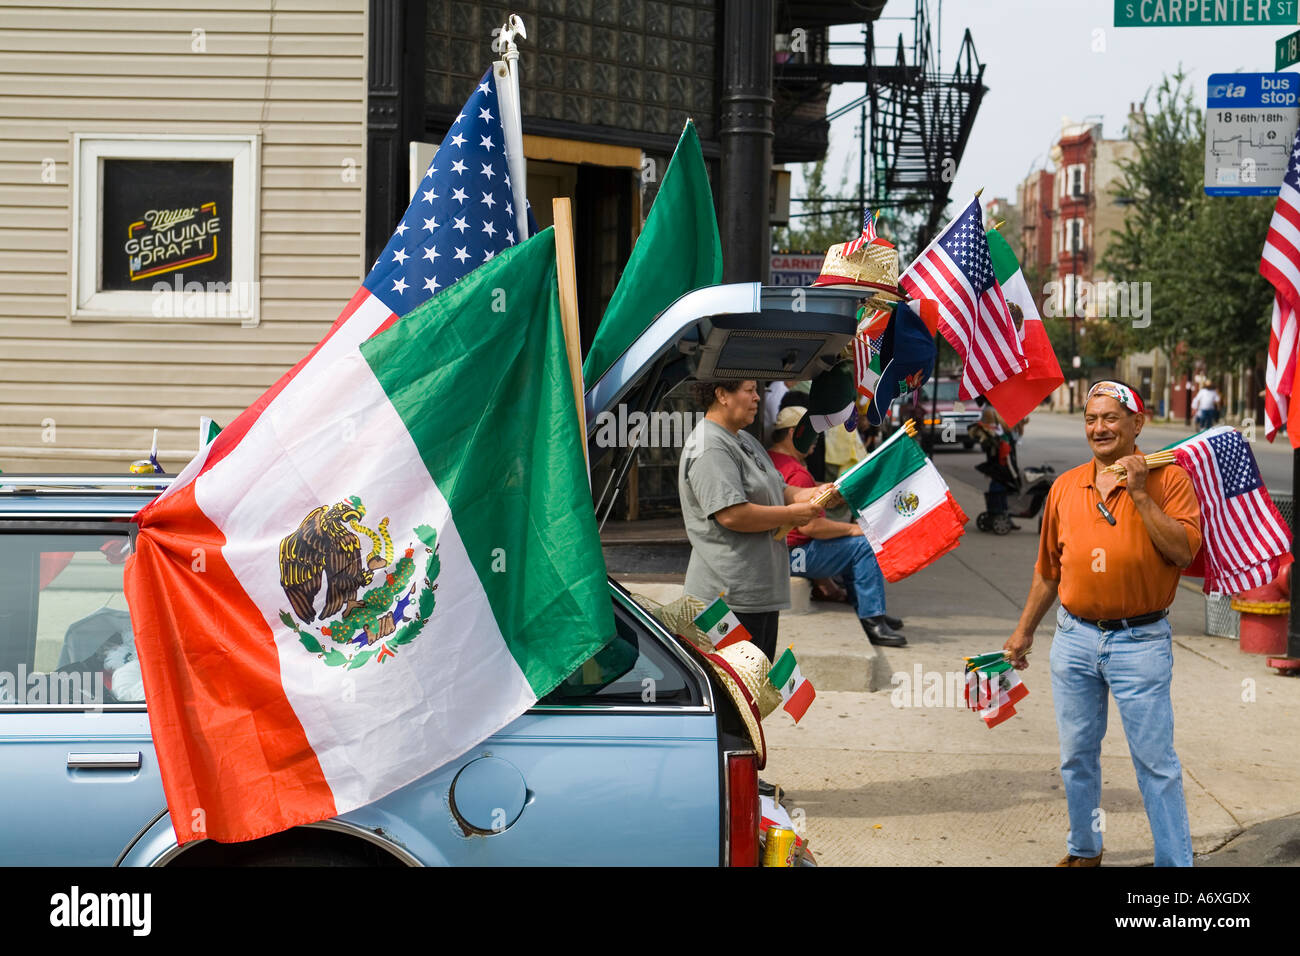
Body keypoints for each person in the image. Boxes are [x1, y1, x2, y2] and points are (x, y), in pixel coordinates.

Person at [1003, 380, 1202, 867]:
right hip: (1074, 639)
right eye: (1092, 419)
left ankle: (1175, 865)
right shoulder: (1067, 487)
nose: (1099, 428)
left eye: (1111, 417)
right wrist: (1024, 630)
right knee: (1077, 757)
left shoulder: (1169, 479)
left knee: (1156, 764)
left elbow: (1181, 551)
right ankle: (1085, 850)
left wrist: (1139, 493)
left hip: (1141, 642)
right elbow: (1050, 570)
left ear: (1138, 423)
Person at [678, 379, 829, 661]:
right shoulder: (710, 446)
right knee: (734, 695)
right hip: (727, 598)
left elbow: (780, 490)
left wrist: (815, 493)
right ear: (722, 394)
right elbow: (732, 514)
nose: (757, 398)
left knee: (754, 693)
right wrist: (793, 515)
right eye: (749, 390)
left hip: (757, 593)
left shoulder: (744, 439)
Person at [767, 406, 907, 647]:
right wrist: (854, 530)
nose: (816, 440)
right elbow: (811, 528)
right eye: (811, 434)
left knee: (853, 544)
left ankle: (868, 607)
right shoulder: (796, 472)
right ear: (793, 433)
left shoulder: (772, 459)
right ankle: (872, 618)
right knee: (862, 545)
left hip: (777, 551)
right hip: (792, 555)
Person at [969, 407, 1022, 530]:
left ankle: (1003, 515)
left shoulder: (997, 420)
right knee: (1000, 488)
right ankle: (999, 513)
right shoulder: (992, 416)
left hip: (1002, 462)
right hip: (1000, 463)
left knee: (1002, 488)